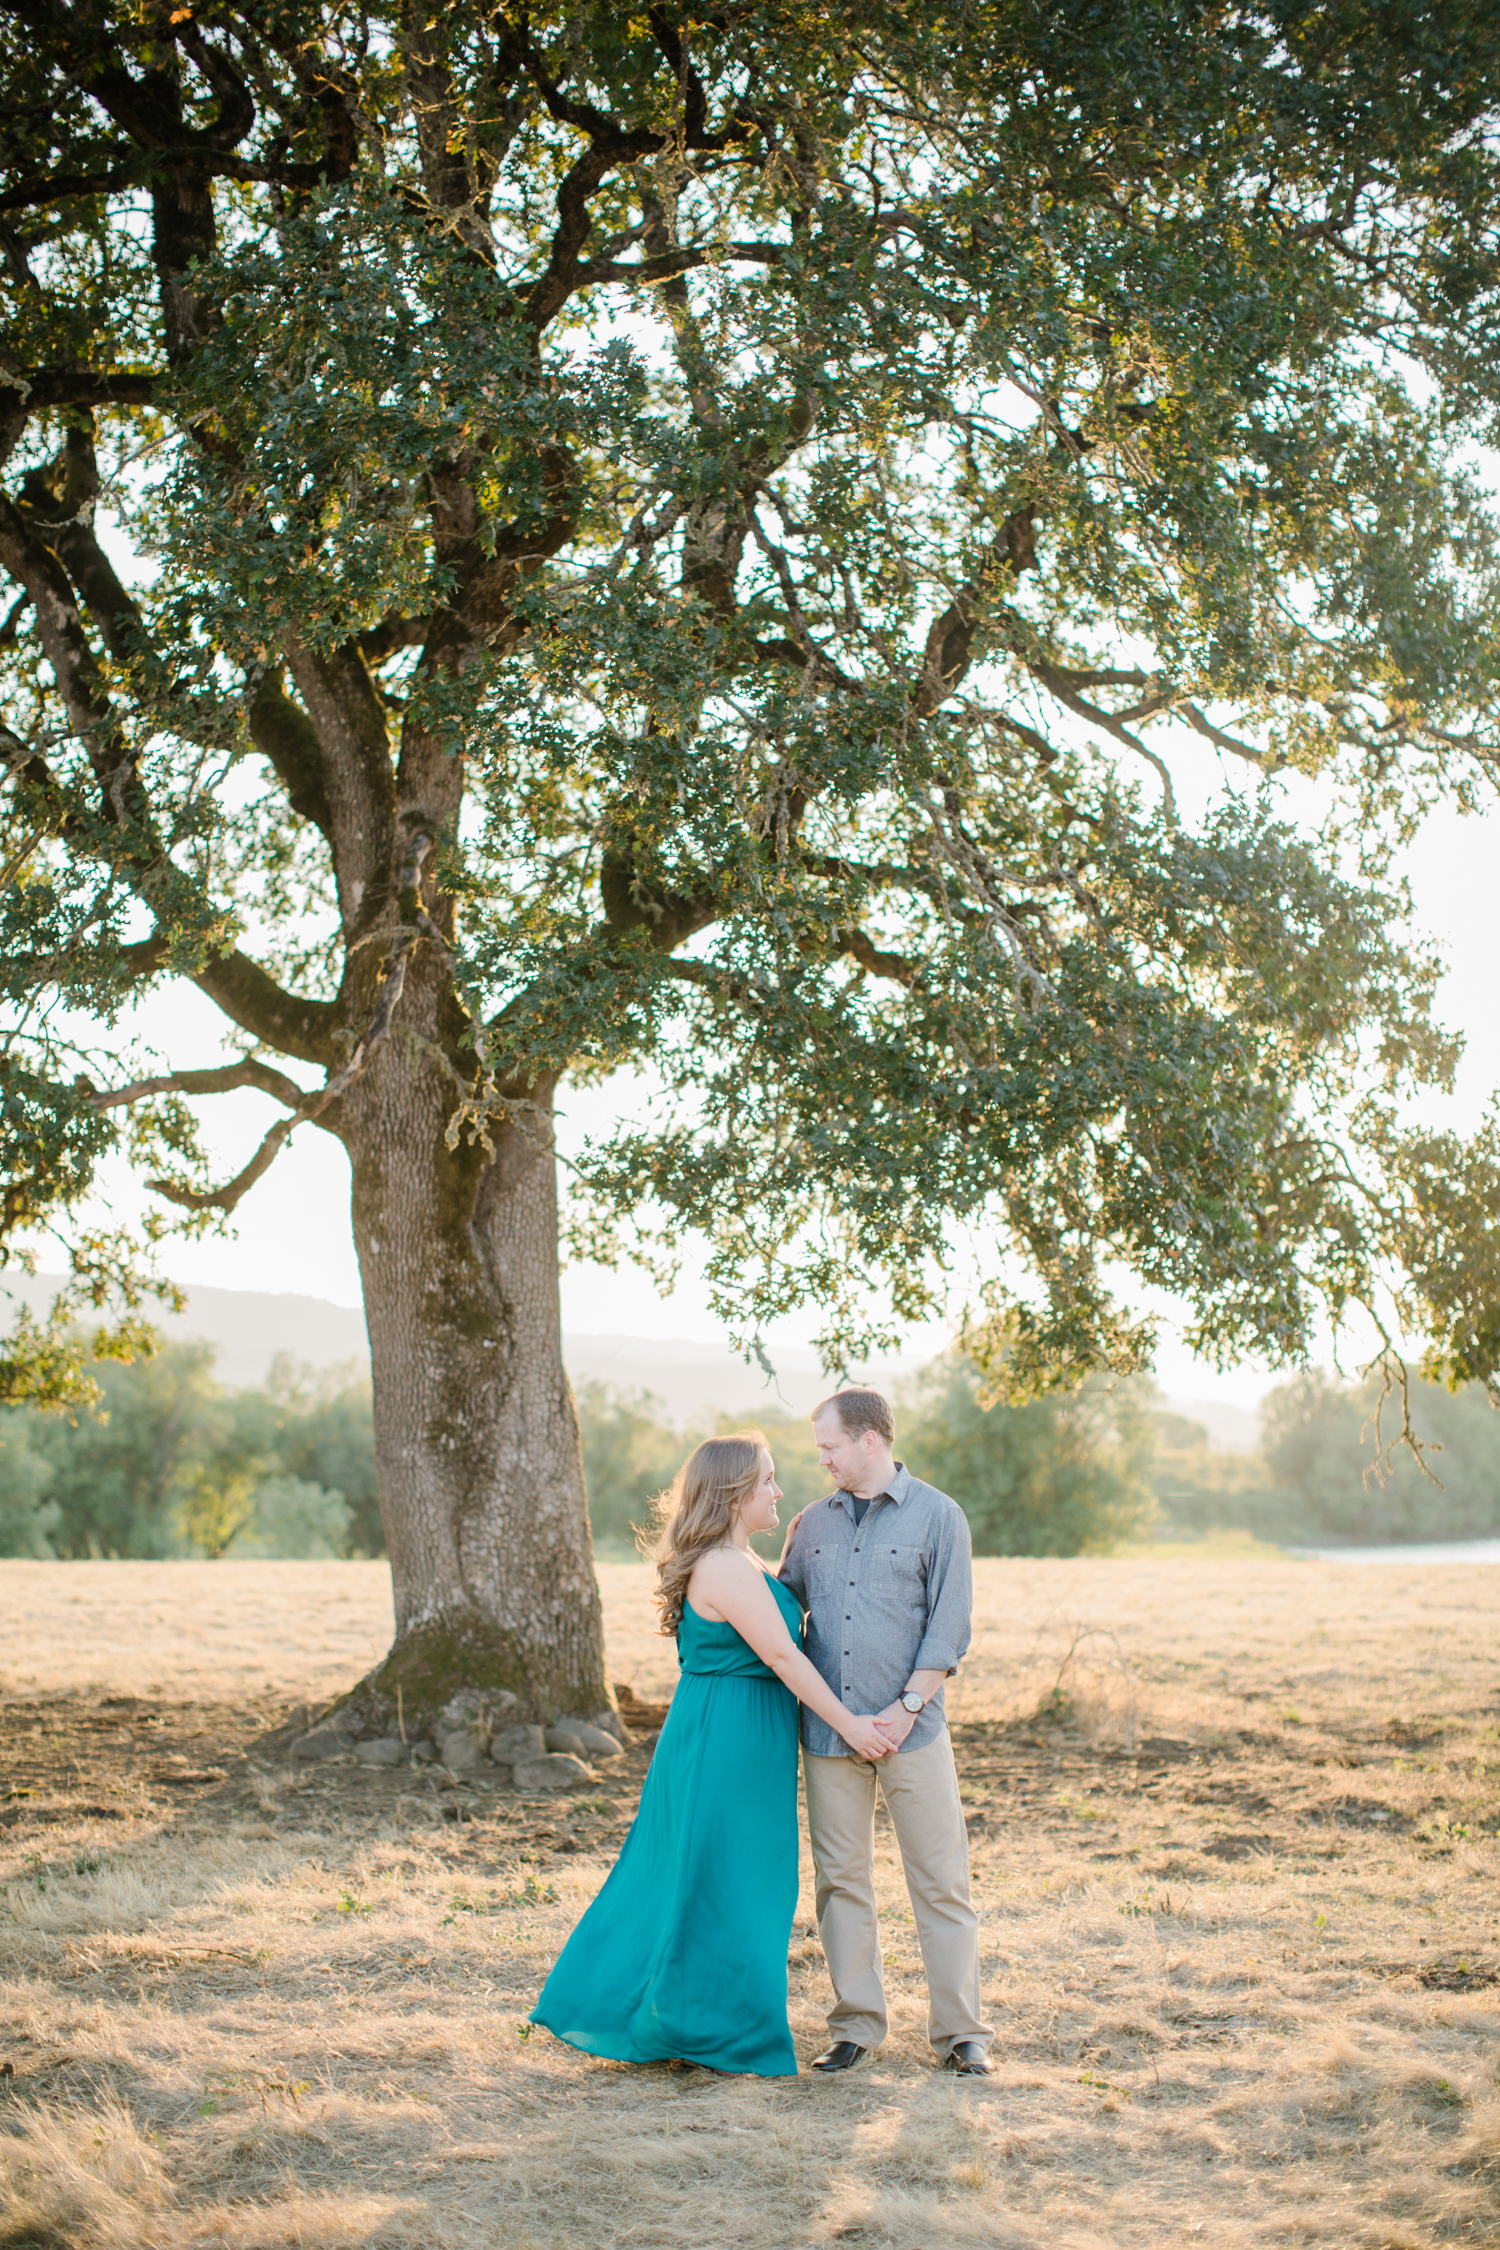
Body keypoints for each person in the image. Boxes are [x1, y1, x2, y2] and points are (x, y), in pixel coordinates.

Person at [529, 1431, 892, 2076]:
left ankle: (707, 2020)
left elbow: (770, 1620)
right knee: (718, 1879)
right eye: (768, 1481)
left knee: (735, 1880)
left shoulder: (739, 1560)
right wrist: (851, 1725)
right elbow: (782, 1655)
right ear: (733, 1494)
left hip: (743, 1738)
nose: (779, 1490)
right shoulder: (724, 1568)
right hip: (723, 1743)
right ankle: (703, 2028)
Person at [778, 1387, 994, 2076]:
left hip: (914, 1731)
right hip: (830, 1738)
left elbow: (949, 1624)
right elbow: (782, 1614)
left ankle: (961, 2035)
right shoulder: (811, 1524)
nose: (823, 1460)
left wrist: (903, 1709)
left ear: (870, 1439)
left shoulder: (939, 1516)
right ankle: (855, 2028)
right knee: (840, 1883)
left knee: (940, 1881)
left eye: (829, 1447)